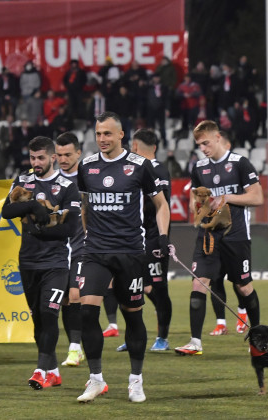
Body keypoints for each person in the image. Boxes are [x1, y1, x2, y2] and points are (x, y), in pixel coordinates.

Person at [76, 111, 170, 403]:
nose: (102, 139)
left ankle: (136, 381)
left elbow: (161, 204)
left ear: (121, 135)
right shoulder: (87, 166)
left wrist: (164, 237)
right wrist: (90, 235)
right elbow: (84, 206)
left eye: (107, 133)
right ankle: (95, 380)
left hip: (130, 252)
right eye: (98, 133)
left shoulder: (140, 166)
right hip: (95, 251)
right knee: (87, 311)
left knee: (133, 316)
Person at [174, 120, 263, 356]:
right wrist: (199, 206)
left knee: (243, 287)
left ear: (217, 138)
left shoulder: (239, 163)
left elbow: (257, 197)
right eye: (199, 145)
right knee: (198, 283)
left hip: (236, 237)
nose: (202, 148)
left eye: (205, 143)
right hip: (208, 236)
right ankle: (195, 342)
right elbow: (197, 199)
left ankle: (257, 337)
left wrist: (226, 197)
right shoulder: (199, 168)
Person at [2, 136, 81, 389]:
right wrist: (35, 207)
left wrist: (38, 229)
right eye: (32, 158)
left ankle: (40, 371)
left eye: (41, 158)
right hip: (27, 262)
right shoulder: (23, 181)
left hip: (56, 263)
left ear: (53, 158)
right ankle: (54, 371)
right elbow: (7, 211)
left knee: (49, 315)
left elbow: (69, 228)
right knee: (38, 319)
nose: (35, 163)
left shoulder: (67, 185)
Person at [115, 128, 174, 352]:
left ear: (136, 147)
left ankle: (162, 338)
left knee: (158, 288)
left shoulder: (158, 169)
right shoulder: (134, 169)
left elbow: (162, 203)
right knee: (130, 287)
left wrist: (162, 238)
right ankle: (134, 336)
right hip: (132, 239)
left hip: (152, 237)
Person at [208, 130, 249, 336]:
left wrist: (228, 197)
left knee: (239, 280)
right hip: (214, 233)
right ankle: (220, 321)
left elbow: (253, 195)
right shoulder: (205, 169)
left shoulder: (239, 166)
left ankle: (242, 313)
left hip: (237, 233)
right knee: (215, 279)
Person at [54, 132, 85, 367]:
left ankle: (75, 348)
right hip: (59, 249)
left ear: (78, 153)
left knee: (75, 295)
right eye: (59, 155)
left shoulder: (89, 179)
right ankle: (76, 346)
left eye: (68, 154)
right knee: (65, 300)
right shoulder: (52, 181)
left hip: (84, 246)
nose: (63, 159)